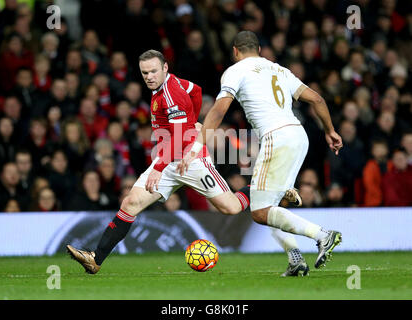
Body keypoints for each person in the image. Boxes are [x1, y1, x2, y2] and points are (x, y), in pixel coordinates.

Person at [67, 49, 288, 274]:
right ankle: (95, 259)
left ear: (165, 68)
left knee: (231, 207)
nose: (149, 76)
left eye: (153, 71)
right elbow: (197, 91)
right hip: (168, 158)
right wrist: (194, 122)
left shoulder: (171, 94)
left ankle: (269, 184)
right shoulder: (170, 84)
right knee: (130, 203)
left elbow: (180, 136)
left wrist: (160, 166)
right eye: (145, 73)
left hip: (190, 161)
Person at [178, 31, 343, 276]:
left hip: (276, 138)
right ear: (259, 49)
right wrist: (330, 130)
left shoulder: (236, 70)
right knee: (272, 205)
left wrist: (195, 147)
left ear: (235, 50)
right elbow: (317, 99)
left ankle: (323, 236)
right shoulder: (280, 70)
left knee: (259, 211)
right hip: (299, 135)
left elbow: (219, 110)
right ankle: (295, 259)